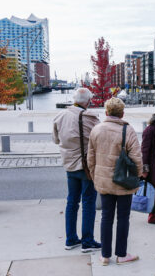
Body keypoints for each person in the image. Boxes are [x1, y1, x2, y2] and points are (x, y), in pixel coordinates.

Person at [88, 97, 143, 265]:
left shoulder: (96, 130)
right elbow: (137, 158)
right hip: (124, 182)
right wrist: (138, 175)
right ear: (122, 113)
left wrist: (95, 176)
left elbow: (90, 159)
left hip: (104, 182)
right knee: (123, 218)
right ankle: (121, 254)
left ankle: (105, 255)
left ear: (106, 112)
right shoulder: (128, 130)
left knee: (106, 217)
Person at [52, 87, 101, 253]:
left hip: (69, 165)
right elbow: (99, 140)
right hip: (87, 166)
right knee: (88, 202)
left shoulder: (60, 116)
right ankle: (87, 241)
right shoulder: (91, 118)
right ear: (88, 101)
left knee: (72, 202)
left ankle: (70, 239)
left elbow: (55, 139)